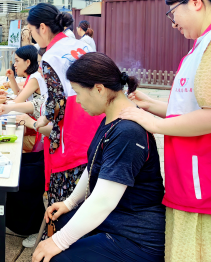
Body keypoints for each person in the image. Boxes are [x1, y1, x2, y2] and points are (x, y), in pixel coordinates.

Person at [120, 0, 211, 262]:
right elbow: (195, 107)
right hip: (207, 176)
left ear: (194, 2)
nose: (173, 23)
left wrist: (156, 125)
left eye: (173, 13)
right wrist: (152, 104)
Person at [32, 52, 165, 262]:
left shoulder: (128, 131)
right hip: (115, 220)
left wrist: (58, 242)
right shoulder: (112, 118)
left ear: (99, 89)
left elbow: (104, 200)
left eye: (78, 92)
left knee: (57, 257)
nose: (77, 100)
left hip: (135, 237)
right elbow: (94, 164)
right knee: (61, 220)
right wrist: (70, 202)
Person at [25, 3, 102, 238]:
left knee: (65, 200)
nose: (32, 37)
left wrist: (40, 121)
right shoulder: (80, 45)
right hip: (95, 124)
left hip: (72, 132)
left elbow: (56, 102)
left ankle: (60, 243)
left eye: (31, 31)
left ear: (42, 27)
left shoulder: (50, 56)